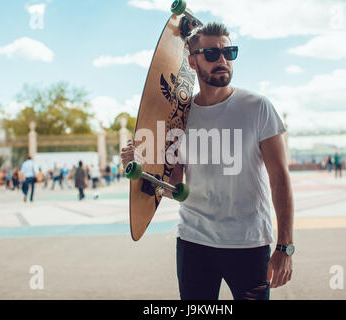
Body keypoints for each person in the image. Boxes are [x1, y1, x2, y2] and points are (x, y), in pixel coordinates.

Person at [121, 23, 294, 300]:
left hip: (248, 244)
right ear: (192, 61)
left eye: (229, 52)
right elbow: (173, 185)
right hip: (194, 243)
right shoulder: (179, 116)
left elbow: (280, 178)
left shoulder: (258, 107)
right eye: (212, 54)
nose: (222, 60)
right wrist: (144, 168)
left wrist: (285, 247)